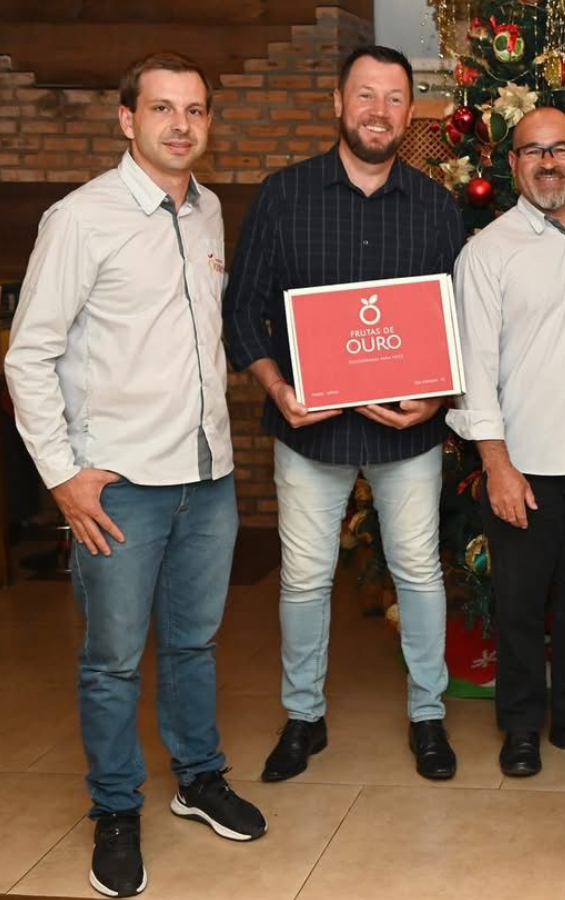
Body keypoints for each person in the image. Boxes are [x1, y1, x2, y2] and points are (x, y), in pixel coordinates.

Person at [6, 51, 265, 898]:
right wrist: (62, 477)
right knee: (113, 660)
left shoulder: (208, 211)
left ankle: (197, 778)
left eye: (195, 110)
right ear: (128, 119)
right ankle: (116, 810)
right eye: (162, 108)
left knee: (193, 643)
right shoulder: (80, 219)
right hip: (118, 488)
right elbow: (28, 355)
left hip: (208, 475)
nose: (181, 125)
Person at [222, 45, 467, 783]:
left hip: (408, 434)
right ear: (337, 102)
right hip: (310, 430)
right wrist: (275, 385)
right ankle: (304, 716)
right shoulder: (283, 196)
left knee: (418, 572)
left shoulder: (436, 206)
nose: (378, 112)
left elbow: (459, 321)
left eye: (393, 98)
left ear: (410, 113)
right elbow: (243, 311)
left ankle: (428, 714)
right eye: (365, 95)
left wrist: (440, 394)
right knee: (303, 578)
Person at [448, 108, 565, 777]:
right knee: (520, 605)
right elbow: (474, 367)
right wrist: (496, 465)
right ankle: (520, 725)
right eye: (533, 151)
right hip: (526, 465)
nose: (549, 163)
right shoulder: (488, 252)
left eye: (561, 149)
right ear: (513, 163)